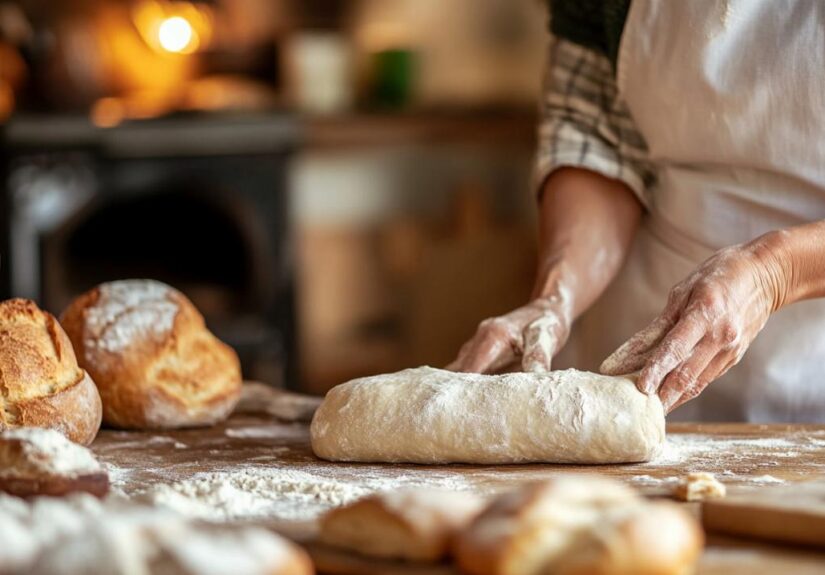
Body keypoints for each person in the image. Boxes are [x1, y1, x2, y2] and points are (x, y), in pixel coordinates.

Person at [449, 0, 825, 422]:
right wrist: (558, 295)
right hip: (638, 356)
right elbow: (598, 136)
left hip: (811, 378)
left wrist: (774, 273)